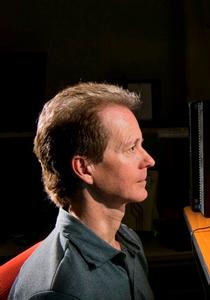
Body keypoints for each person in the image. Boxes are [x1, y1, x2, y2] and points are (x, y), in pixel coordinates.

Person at [8, 82, 155, 300]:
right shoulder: (61, 291)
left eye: (141, 145)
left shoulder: (127, 240)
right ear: (84, 168)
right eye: (131, 148)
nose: (149, 160)